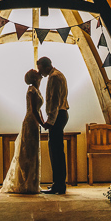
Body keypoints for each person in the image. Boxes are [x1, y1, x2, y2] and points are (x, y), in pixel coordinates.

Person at [0, 69, 45, 193]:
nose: (39, 74)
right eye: (37, 74)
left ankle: (32, 183)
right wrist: (42, 123)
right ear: (34, 78)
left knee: (33, 152)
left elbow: (39, 110)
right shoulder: (31, 90)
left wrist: (42, 121)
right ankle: (25, 183)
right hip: (30, 122)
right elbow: (33, 110)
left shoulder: (37, 90)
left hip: (35, 122)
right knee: (28, 152)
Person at [37, 56, 69, 194]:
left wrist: (49, 121)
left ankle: (59, 185)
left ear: (45, 66)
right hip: (61, 114)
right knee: (57, 151)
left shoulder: (54, 77)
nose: (40, 73)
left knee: (55, 152)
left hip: (57, 116)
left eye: (40, 69)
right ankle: (59, 184)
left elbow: (54, 100)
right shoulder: (59, 74)